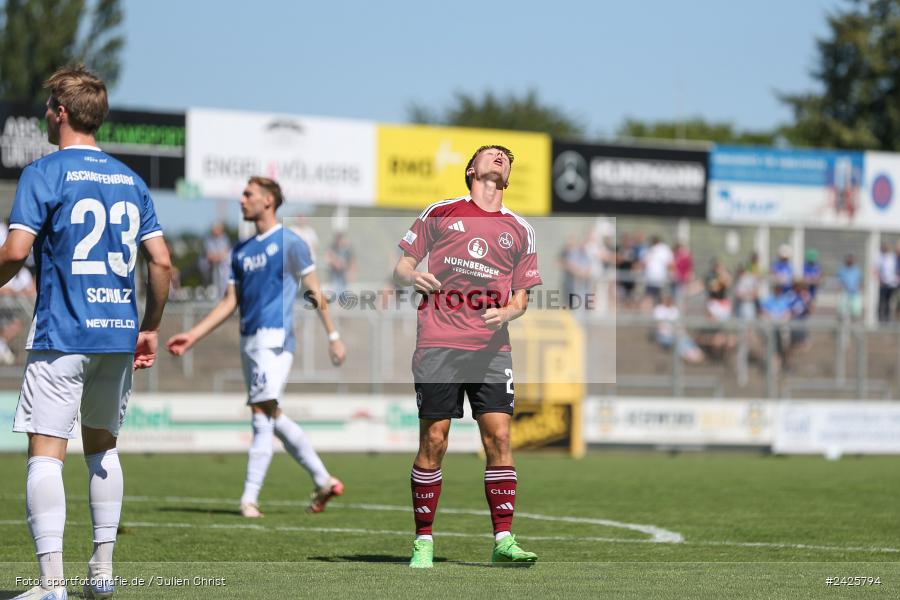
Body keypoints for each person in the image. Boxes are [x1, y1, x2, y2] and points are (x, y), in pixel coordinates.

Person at [4, 66, 172, 600]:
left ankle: (52, 585)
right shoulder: (132, 180)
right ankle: (102, 575)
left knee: (45, 453)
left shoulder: (44, 173)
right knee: (102, 450)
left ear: (59, 112)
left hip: (62, 334)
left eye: (47, 107)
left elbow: (13, 252)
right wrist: (150, 328)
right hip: (118, 334)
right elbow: (162, 263)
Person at [393, 144, 541, 568]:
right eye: (491, 154)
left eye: (505, 157)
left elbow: (522, 299)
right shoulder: (439, 212)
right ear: (471, 169)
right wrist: (412, 275)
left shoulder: (521, 229)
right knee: (435, 440)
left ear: (508, 176)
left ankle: (504, 540)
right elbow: (402, 264)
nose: (500, 158)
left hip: (492, 350)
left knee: (499, 437)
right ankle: (423, 541)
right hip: (439, 343)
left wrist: (509, 311)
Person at [166, 176, 347, 519]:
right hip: (248, 340)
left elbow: (314, 290)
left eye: (248, 194)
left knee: (262, 415)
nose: (242, 200)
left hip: (275, 339)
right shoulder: (241, 250)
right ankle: (323, 480)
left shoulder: (290, 242)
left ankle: (248, 500)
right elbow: (228, 301)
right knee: (269, 413)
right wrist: (193, 335)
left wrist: (333, 336)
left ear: (268, 200)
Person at [203, 221, 231, 298]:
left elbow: (226, 254)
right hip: (213, 271)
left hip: (225, 271)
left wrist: (217, 256)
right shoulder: (209, 241)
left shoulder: (225, 239)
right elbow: (210, 256)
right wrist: (219, 256)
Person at [326, 230, 355, 296]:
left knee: (345, 290)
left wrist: (351, 272)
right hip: (335, 274)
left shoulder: (348, 249)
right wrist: (336, 263)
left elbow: (352, 260)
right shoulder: (332, 247)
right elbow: (328, 257)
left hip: (344, 273)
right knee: (335, 290)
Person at [837, 254, 862, 321]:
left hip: (855, 292)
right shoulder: (842, 270)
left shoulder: (857, 270)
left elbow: (859, 280)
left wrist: (859, 288)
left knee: (855, 310)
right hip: (845, 291)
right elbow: (840, 281)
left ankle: (853, 323)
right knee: (843, 309)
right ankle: (842, 322)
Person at [877, 242, 898, 322]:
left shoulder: (892, 257)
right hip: (883, 283)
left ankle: (888, 318)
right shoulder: (880, 257)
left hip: (892, 283)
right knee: (882, 301)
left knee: (890, 301)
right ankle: (881, 318)